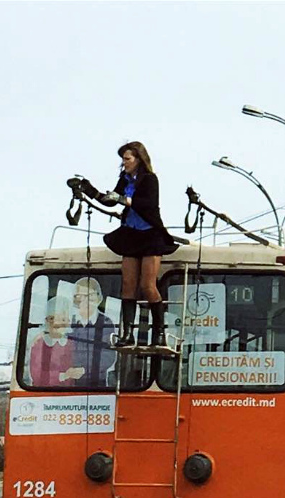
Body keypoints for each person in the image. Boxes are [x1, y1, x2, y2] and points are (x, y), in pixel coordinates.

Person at [79, 141, 178, 347]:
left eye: (127, 159)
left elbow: (148, 204)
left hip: (150, 234)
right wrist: (90, 191)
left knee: (148, 285)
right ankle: (127, 333)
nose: (124, 163)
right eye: (122, 159)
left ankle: (158, 332)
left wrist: (125, 200)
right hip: (131, 234)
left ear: (139, 159)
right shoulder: (124, 179)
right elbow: (110, 200)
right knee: (128, 284)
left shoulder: (150, 179)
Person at [68, 277, 116, 387]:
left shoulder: (106, 323)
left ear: (99, 298)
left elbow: (109, 356)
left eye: (90, 296)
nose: (86, 301)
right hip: (68, 382)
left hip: (98, 383)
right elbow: (62, 350)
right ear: (75, 300)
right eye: (80, 297)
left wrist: (84, 370)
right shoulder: (68, 322)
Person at [28, 296, 83, 386]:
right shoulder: (39, 343)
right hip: (41, 393)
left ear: (69, 322)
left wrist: (79, 371)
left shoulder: (72, 344)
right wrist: (64, 375)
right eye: (52, 318)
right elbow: (36, 374)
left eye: (63, 320)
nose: (57, 324)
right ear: (46, 321)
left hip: (71, 394)